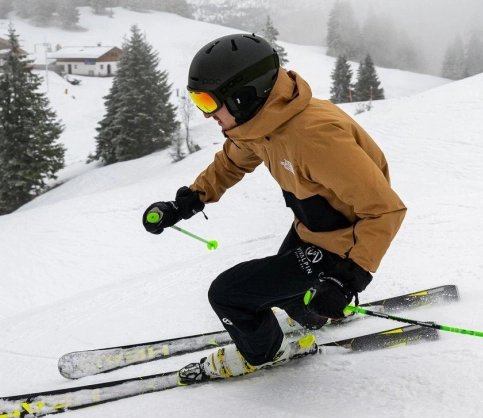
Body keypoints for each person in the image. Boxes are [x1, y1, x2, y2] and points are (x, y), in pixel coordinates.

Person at [143, 34, 406, 384]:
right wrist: (188, 201)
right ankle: (314, 314)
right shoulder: (262, 123)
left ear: (242, 96)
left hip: (342, 244)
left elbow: (385, 210)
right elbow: (231, 162)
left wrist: (346, 279)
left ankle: (264, 353)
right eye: (197, 100)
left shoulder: (315, 137)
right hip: (311, 227)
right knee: (288, 293)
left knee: (228, 295)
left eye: (207, 101)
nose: (206, 114)